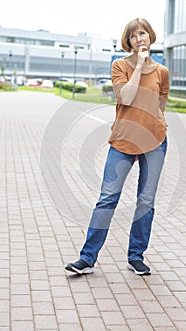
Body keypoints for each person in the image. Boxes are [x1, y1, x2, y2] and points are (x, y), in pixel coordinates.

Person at [65, 18, 170, 276]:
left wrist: (158, 119)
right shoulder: (120, 65)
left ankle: (136, 256)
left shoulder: (162, 72)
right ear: (129, 41)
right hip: (123, 140)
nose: (139, 39)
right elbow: (126, 97)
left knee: (146, 201)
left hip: (155, 142)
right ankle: (87, 258)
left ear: (150, 35)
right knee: (107, 198)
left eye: (142, 33)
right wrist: (139, 67)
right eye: (133, 36)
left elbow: (163, 97)